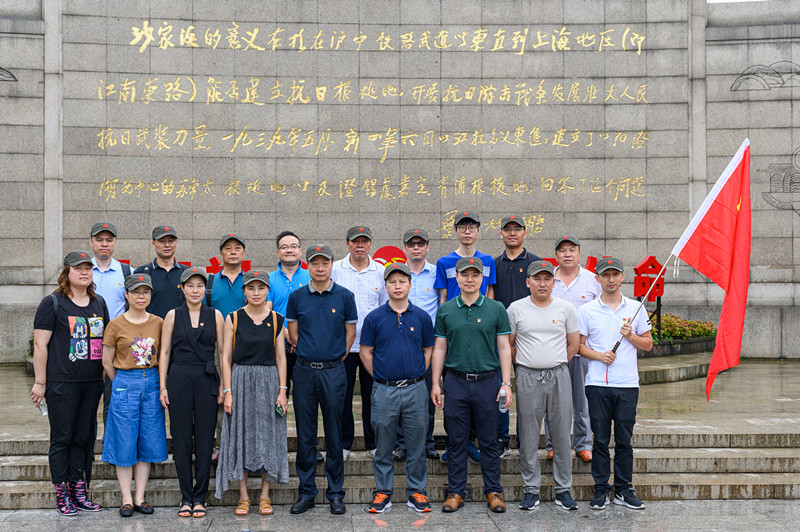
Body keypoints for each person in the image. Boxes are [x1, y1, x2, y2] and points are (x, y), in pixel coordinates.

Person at [431, 257, 512, 514]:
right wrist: (435, 382)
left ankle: (494, 491)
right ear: (456, 277)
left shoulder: (496, 308)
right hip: (455, 382)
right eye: (464, 274)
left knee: (488, 440)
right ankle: (456, 492)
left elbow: (504, 347)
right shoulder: (445, 310)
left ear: (481, 278)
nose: (469, 279)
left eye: (474, 275)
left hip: (488, 382)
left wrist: (506, 383)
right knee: (456, 441)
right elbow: (440, 348)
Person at [31, 251, 108, 516]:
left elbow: (104, 344)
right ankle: (62, 494)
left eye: (89, 268)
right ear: (67, 272)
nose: (84, 272)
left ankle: (79, 492)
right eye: (79, 268)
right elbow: (40, 345)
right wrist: (40, 383)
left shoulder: (99, 303)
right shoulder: (52, 303)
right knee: (62, 438)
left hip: (91, 383)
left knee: (83, 438)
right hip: (62, 382)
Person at [286, 244, 357, 515]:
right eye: (314, 263)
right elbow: (293, 334)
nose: (319, 268)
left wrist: (336, 356)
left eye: (324, 263)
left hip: (333, 371)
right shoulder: (296, 297)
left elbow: (350, 333)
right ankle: (307, 492)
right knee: (305, 435)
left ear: (330, 266)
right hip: (304, 371)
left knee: (334, 434)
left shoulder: (344, 296)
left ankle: (336, 492)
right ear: (308, 266)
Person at [360, 263, 435, 514]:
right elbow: (365, 352)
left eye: (402, 281)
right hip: (384, 390)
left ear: (410, 285)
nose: (397, 286)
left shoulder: (422, 317)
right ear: (386, 286)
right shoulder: (375, 318)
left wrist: (414, 375)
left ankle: (416, 492)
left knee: (416, 444)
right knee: (384, 444)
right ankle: (383, 491)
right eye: (392, 282)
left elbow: (428, 351)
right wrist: (382, 377)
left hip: (415, 389)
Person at [579, 257, 653, 511]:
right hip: (597, 384)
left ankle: (623, 489)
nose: (610, 279)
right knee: (599, 439)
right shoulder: (587, 310)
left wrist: (631, 335)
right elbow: (578, 346)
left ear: (622, 277)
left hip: (627, 384)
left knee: (624, 439)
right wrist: (600, 355)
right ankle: (601, 488)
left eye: (615, 274)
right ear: (597, 278)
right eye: (605, 275)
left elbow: (648, 343)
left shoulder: (635, 308)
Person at [215, 270, 289, 516]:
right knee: (240, 435)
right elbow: (225, 358)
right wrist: (228, 391)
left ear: (268, 291)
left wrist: (282, 390)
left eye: (261, 288)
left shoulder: (277, 319)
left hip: (269, 380)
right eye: (251, 288)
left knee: (270, 435)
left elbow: (281, 357)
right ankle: (244, 497)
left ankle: (265, 496)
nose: (256, 293)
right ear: (244, 292)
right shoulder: (233, 318)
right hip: (240, 379)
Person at [507, 260, 580, 511]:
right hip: (528, 377)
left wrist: (554, 362)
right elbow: (510, 344)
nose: (542, 283)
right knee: (528, 434)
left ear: (553, 282)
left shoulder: (565, 308)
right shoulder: (516, 309)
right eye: (537, 279)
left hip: (559, 375)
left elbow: (573, 344)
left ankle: (563, 489)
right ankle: (531, 489)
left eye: (547, 279)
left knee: (560, 433)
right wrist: (530, 363)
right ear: (528, 282)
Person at [159, 267, 225, 518]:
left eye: (199, 286)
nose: (195, 290)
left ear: (204, 290)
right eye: (190, 286)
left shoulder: (216, 315)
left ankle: (200, 497)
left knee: (206, 439)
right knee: (182, 439)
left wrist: (223, 386)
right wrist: (162, 386)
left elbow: (223, 354)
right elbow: (164, 353)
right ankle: (186, 497)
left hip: (207, 379)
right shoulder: (172, 315)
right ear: (183, 289)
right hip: (179, 379)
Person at [434, 211, 497, 464]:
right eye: (463, 227)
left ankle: (471, 442)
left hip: (481, 330)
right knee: (455, 387)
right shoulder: (444, 262)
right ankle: (456, 442)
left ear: (479, 230)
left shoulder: (488, 261)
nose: (467, 231)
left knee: (479, 391)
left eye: (472, 227)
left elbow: (490, 294)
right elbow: (441, 298)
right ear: (455, 230)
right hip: (454, 328)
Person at [101, 273, 167, 517]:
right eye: (136, 292)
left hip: (151, 381)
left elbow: (165, 355)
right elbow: (107, 361)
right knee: (124, 440)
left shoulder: (159, 322)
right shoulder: (116, 324)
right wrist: (120, 382)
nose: (141, 296)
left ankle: (140, 497)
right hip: (124, 382)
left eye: (145, 292)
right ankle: (126, 499)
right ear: (126, 295)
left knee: (147, 439)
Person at [265, 231, 323, 464]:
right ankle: (275, 445)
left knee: (305, 401)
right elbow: (267, 310)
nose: (289, 250)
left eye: (294, 246)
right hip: (277, 348)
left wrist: (298, 338)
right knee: (277, 397)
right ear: (277, 252)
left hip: (305, 349)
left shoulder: (311, 277)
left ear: (300, 251)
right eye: (284, 247)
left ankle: (308, 446)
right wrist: (287, 334)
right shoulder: (269, 278)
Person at [331, 225, 387, 460]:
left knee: (372, 395)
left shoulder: (380, 271)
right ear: (347, 244)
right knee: (341, 396)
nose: (360, 245)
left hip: (372, 346)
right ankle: (344, 443)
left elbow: (385, 307)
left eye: (364, 241)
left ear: (371, 244)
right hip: (343, 346)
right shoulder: (335, 270)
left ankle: (372, 442)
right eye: (355, 241)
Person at [545, 235, 601, 462]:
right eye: (562, 250)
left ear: (579, 254)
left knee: (582, 400)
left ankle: (583, 443)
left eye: (572, 250)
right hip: (553, 351)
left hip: (583, 350)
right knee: (554, 401)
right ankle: (553, 444)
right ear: (556, 255)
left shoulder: (592, 280)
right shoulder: (548, 280)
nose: (567, 254)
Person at [493, 214, 542, 458]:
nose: (512, 233)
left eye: (517, 229)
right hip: (500, 337)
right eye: (507, 229)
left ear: (525, 233)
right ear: (501, 233)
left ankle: (526, 439)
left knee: (528, 392)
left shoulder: (536, 263)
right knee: (502, 388)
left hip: (529, 338)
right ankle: (501, 438)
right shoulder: (494, 264)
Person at [394, 228, 439, 461]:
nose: (416, 247)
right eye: (411, 244)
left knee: (428, 394)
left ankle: (428, 441)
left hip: (428, 343)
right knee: (402, 393)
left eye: (420, 243)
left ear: (427, 247)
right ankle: (401, 443)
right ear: (405, 248)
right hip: (401, 340)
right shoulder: (396, 273)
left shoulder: (436, 273)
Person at [88, 222, 130, 441]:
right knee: (86, 400)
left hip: (115, 346)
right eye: (100, 240)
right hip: (86, 345)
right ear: (92, 242)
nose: (104, 244)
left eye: (109, 240)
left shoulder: (126, 272)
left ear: (115, 243)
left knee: (112, 398)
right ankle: (86, 446)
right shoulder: (82, 271)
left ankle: (110, 443)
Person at [134, 225, 188, 318]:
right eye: (161, 241)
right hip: (151, 329)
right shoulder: (142, 273)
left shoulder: (186, 272)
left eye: (171, 241)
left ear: (176, 242)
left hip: (181, 329)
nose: (167, 245)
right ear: (153, 243)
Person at [206, 232, 247, 318]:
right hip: (217, 331)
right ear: (221, 254)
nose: (233, 252)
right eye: (228, 248)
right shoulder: (209, 282)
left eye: (237, 248)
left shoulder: (250, 282)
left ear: (243, 253)